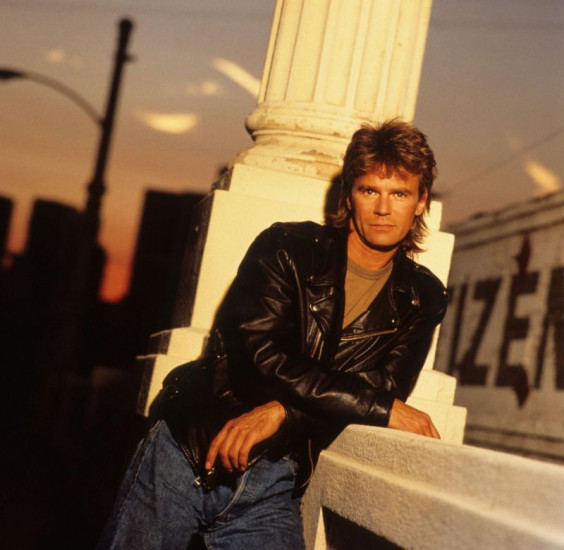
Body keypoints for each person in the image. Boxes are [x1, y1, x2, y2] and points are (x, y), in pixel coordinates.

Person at [98, 119, 447, 549]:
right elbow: (259, 353)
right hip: (190, 446)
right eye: (370, 190)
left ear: (421, 201)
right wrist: (374, 405)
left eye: (400, 194)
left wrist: (283, 412)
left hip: (275, 480)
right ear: (348, 195)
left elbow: (383, 387)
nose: (383, 209)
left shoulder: (423, 296)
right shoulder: (286, 247)